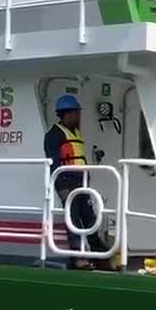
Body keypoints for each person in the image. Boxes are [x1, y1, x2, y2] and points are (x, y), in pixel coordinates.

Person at [44, 95, 108, 270]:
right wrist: (61, 186)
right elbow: (54, 163)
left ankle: (100, 255)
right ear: (67, 114)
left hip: (82, 181)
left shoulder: (76, 132)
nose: (79, 116)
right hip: (67, 183)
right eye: (76, 113)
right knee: (73, 221)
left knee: (90, 218)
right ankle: (77, 258)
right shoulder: (53, 135)